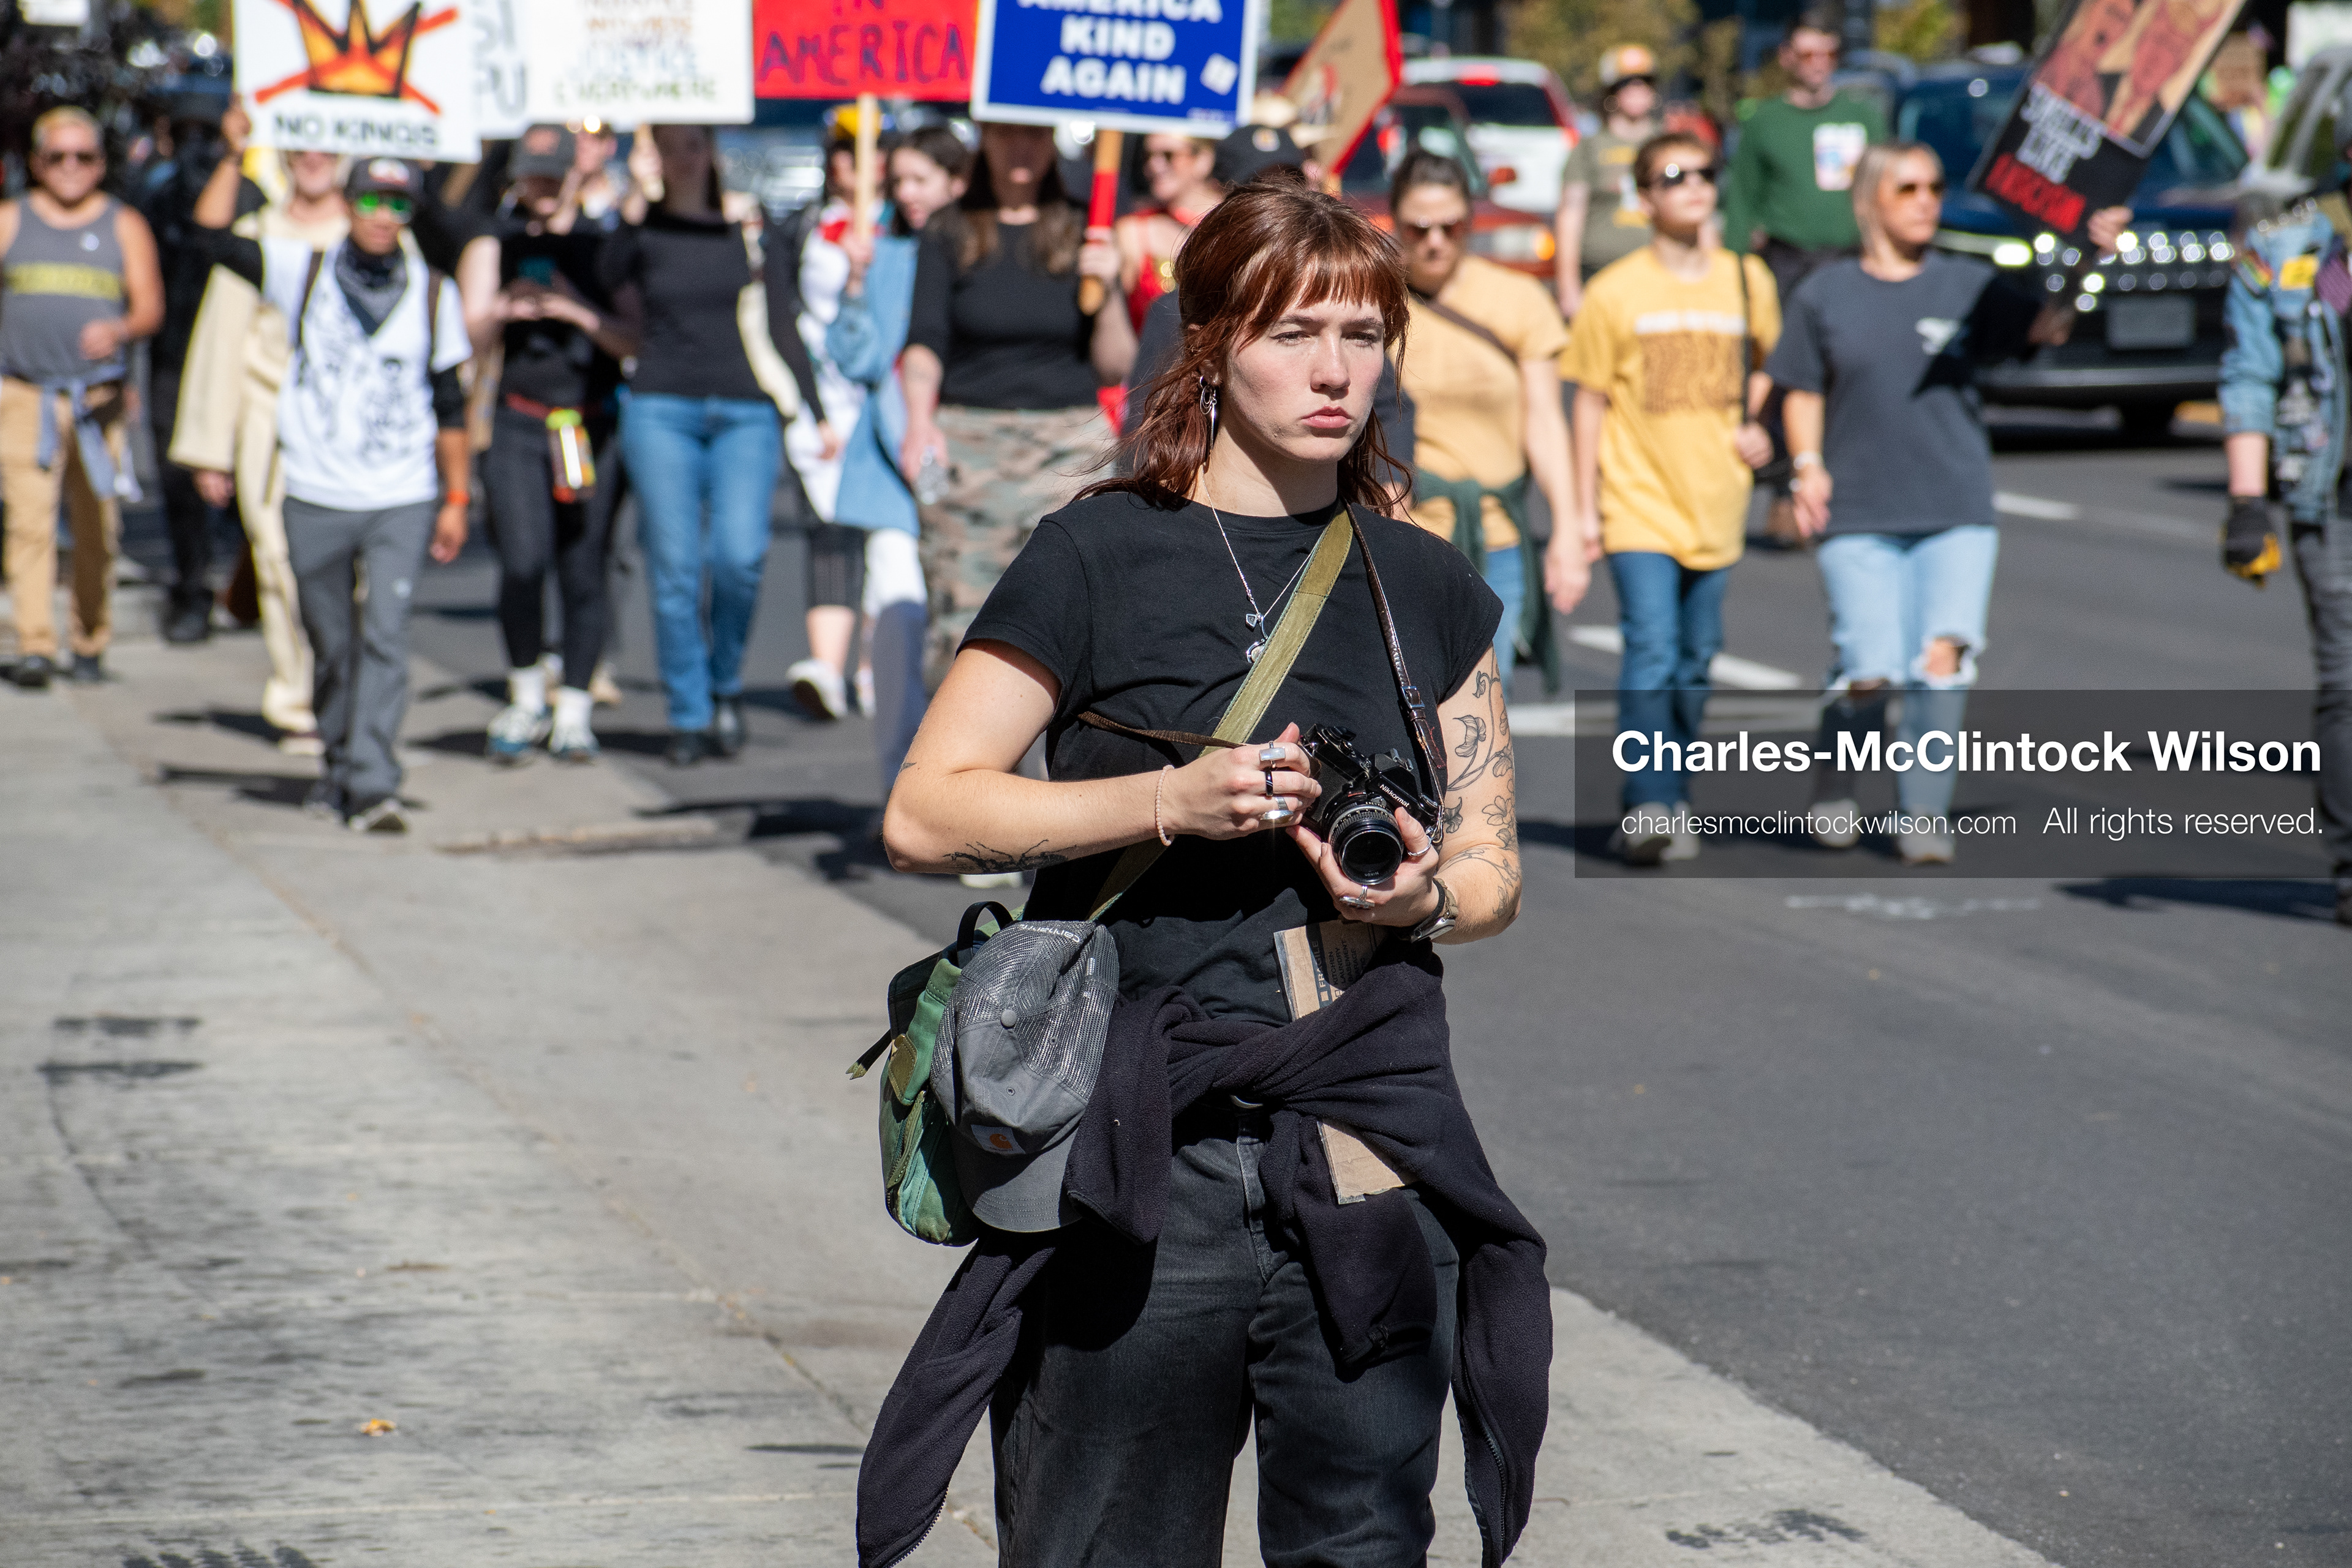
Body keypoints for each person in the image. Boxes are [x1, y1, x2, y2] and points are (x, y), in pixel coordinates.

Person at [870, 173, 1547, 1568]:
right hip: (1139, 1150)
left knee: (1363, 1542)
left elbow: (1492, 868)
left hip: (1362, 1138)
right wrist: (1166, 800)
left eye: (1362, 336)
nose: (1334, 371)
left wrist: (1417, 894)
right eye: (1294, 333)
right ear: (1211, 345)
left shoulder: (1423, 581)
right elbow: (925, 814)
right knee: (1106, 1541)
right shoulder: (1095, 551)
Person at [1773, 143, 2127, 865]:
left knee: (1944, 658)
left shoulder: (1968, 284)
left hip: (1954, 504)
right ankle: (1838, 783)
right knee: (1869, 665)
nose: (1927, 201)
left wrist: (2090, 261)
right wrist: (1807, 468)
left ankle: (1923, 812)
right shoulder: (1825, 294)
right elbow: (1802, 388)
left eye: (1935, 187)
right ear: (1870, 200)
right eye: (1907, 189)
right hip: (1858, 508)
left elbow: (2046, 327)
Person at [192, 125, 472, 832]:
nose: (383, 215)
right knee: (332, 641)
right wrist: (233, 153)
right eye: (371, 199)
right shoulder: (302, 269)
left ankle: (374, 782)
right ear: (348, 203)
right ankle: (339, 760)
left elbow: (451, 405)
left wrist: (456, 497)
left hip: (400, 494)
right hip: (315, 490)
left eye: (398, 204)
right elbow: (209, 239)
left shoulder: (435, 294)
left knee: (386, 635)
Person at [1559, 130, 1777, 865]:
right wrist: (1583, 511)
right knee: (1651, 649)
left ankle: (1672, 793)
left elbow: (1771, 365)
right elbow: (1589, 401)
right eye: (1673, 175)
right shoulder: (1615, 290)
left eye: (1704, 173)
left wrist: (1760, 424)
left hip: (1718, 499)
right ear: (1644, 197)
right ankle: (1650, 800)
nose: (1693, 186)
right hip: (1638, 502)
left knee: (1696, 659)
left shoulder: (1747, 279)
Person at [600, 123, 810, 766]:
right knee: (675, 567)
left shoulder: (748, 224)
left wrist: (815, 408)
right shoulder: (642, 227)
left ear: (712, 150)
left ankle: (725, 681)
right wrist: (633, 203)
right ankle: (689, 712)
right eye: (669, 146)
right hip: (662, 407)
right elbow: (605, 277)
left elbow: (782, 317)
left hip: (745, 408)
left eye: (694, 144)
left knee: (740, 556)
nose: (684, 157)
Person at [900, 121, 1132, 685]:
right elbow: (925, 342)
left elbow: (1115, 364)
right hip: (970, 443)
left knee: (1074, 616)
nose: (1021, 147)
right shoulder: (948, 230)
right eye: (1006, 134)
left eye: (1034, 134)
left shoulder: (1087, 227)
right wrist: (919, 423)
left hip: (1068, 444)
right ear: (984, 139)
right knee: (963, 618)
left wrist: (1109, 289)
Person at [2218, 83, 2352, 926]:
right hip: (2328, 494)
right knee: (2348, 681)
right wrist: (2247, 503)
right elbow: (2250, 378)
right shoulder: (2286, 248)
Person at [172, 140, 349, 753]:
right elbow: (223, 339)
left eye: (328, 147)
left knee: (349, 571)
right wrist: (211, 448)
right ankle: (298, 699)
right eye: (302, 146)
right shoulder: (255, 235)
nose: (315, 158)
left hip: (351, 430)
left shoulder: (377, 232)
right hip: (270, 422)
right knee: (277, 558)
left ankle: (344, 690)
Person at [477, 125, 642, 766]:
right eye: (532, 175)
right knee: (522, 561)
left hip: (588, 425)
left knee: (583, 565)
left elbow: (632, 340)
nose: (542, 187)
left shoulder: (604, 246)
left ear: (577, 172)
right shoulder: (500, 241)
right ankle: (525, 694)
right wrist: (501, 310)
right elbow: (465, 334)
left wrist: (574, 309)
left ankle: (574, 707)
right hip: (518, 420)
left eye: (553, 173)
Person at [1392, 151, 1575, 690]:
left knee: (1488, 707)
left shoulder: (1519, 300)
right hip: (1408, 537)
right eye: (1418, 228)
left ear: (1470, 222)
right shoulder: (1374, 302)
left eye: (1451, 227)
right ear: (1396, 224)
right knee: (1412, 708)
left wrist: (1569, 529)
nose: (1435, 242)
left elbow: (1546, 421)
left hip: (1498, 540)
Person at [826, 125, 970, 791]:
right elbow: (854, 358)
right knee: (899, 610)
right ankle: (900, 785)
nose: (907, 193)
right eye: (899, 181)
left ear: (957, 182)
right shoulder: (882, 252)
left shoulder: (978, 253)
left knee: (965, 620)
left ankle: (975, 782)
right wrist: (855, 284)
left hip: (967, 460)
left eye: (921, 179)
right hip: (891, 464)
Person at [1, 107, 164, 691]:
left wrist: (118, 330)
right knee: (29, 523)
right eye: (58, 157)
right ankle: (35, 645)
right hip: (25, 394)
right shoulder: (11, 220)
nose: (70, 167)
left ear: (100, 164)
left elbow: (149, 308)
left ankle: (90, 639)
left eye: (84, 156)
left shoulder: (125, 225)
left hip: (98, 403)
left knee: (98, 527)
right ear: (37, 162)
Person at [139, 106, 262, 646]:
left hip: (235, 355)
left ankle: (248, 584)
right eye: (185, 132)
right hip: (173, 354)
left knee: (249, 482)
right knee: (179, 479)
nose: (197, 145)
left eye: (207, 133)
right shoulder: (155, 193)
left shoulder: (252, 197)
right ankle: (192, 589)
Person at [777, 110, 873, 723]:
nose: (853, 165)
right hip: (824, 402)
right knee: (829, 527)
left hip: (883, 401)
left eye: (866, 150)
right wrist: (813, 410)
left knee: (886, 537)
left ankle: (875, 666)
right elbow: (780, 317)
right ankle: (828, 668)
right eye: (842, 151)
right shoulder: (801, 227)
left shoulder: (910, 224)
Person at [1719, 9, 1887, 304]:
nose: (1820, 63)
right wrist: (1735, 273)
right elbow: (1742, 201)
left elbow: (1886, 190)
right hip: (1787, 263)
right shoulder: (1764, 122)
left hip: (1852, 258)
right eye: (1808, 55)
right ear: (1787, 57)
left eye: (1829, 54)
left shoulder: (1863, 117)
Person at [1553, 44, 1661, 321]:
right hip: (1599, 274)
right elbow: (1570, 215)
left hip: (1659, 276)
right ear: (1611, 93)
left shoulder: (1668, 145)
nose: (1637, 90)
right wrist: (1568, 288)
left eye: (1645, 82)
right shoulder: (1590, 147)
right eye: (1627, 83)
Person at [1114, 130, 1221, 331]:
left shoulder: (1233, 222)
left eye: (1168, 155)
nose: (1154, 166)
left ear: (1203, 160)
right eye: (1148, 156)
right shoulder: (1133, 230)